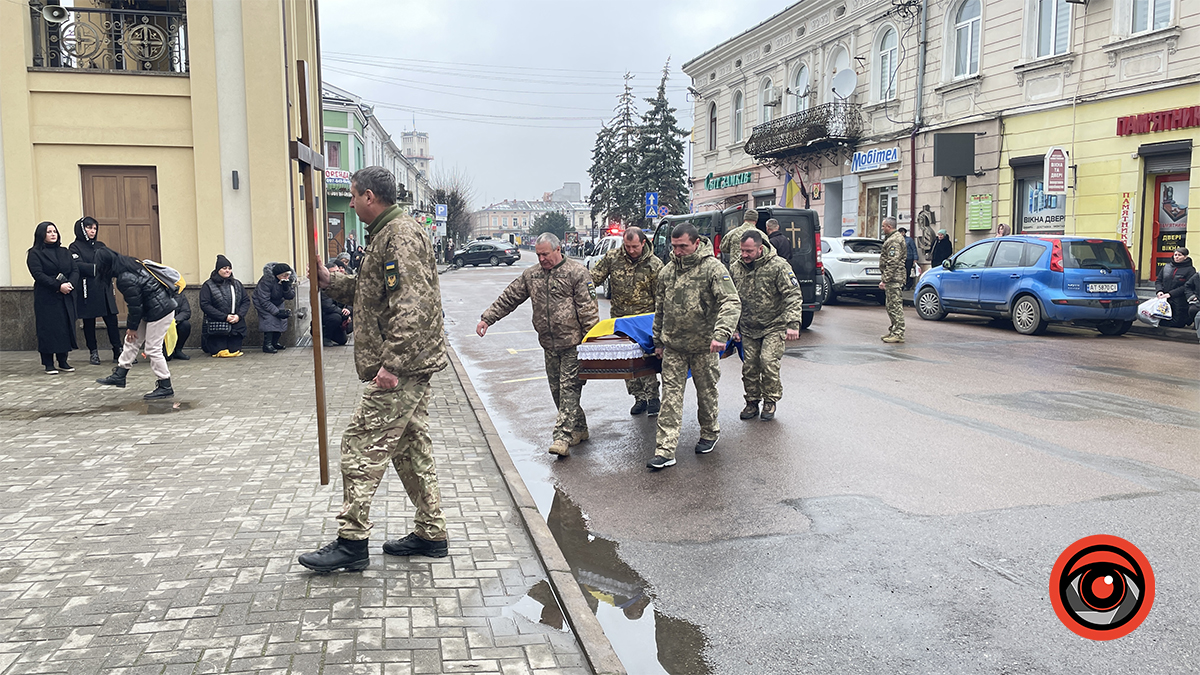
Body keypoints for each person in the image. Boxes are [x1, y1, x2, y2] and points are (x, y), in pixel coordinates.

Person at [299, 166, 450, 573]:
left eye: (352, 196)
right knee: (411, 448)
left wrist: (392, 365)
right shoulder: (387, 233)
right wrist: (331, 281)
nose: (349, 203)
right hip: (410, 364)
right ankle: (431, 532)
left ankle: (352, 541)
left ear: (369, 196)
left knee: (359, 445)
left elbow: (411, 306)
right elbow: (373, 291)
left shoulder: (399, 235)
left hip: (402, 366)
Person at [478, 233, 599, 457]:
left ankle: (562, 437)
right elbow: (510, 298)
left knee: (569, 389)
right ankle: (580, 428)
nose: (542, 259)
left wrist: (591, 343)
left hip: (574, 344)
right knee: (557, 392)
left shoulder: (577, 273)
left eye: (545, 254)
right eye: (538, 254)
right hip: (548, 344)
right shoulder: (531, 275)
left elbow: (589, 310)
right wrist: (487, 318)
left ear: (558, 249)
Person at [648, 223, 741, 470]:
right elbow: (660, 310)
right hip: (674, 347)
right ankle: (665, 449)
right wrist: (657, 341)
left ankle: (709, 432)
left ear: (696, 243)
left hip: (704, 347)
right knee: (670, 398)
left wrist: (722, 334)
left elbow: (731, 302)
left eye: (683, 246)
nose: (677, 251)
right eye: (674, 246)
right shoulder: (667, 272)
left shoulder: (713, 269)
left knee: (706, 392)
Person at [730, 229, 803, 422]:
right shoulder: (736, 268)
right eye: (742, 251)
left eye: (749, 251)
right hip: (748, 327)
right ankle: (752, 401)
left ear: (760, 249)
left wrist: (793, 323)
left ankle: (770, 400)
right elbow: (731, 299)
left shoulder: (778, 266)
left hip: (774, 325)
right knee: (750, 366)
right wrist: (733, 328)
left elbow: (793, 294)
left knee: (768, 361)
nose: (744, 255)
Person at [590, 228, 664, 416]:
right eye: (627, 246)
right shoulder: (613, 257)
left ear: (643, 243)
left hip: (644, 320)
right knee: (625, 361)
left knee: (645, 359)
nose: (631, 250)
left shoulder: (654, 265)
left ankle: (653, 397)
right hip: (620, 320)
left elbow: (661, 297)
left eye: (634, 247)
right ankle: (638, 397)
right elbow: (594, 278)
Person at [95, 252, 178, 399]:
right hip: (154, 309)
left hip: (160, 311)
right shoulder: (132, 265)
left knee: (153, 349)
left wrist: (132, 327)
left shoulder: (124, 278)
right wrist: (132, 328)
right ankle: (120, 373)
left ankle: (165, 385)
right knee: (131, 340)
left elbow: (135, 306)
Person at [26, 222, 79, 374]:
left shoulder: (64, 251)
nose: (53, 234)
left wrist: (70, 284)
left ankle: (63, 360)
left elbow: (75, 269)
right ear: (41, 234)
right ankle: (48, 363)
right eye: (49, 231)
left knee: (64, 328)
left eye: (54, 231)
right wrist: (58, 286)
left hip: (66, 295)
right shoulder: (35, 253)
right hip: (47, 297)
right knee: (49, 329)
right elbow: (38, 274)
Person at [69, 217, 121, 365]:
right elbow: (78, 265)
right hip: (88, 290)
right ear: (81, 229)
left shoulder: (100, 245)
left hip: (104, 289)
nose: (92, 231)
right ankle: (93, 352)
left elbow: (110, 261)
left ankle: (117, 350)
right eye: (89, 228)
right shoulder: (74, 247)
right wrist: (97, 269)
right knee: (89, 323)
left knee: (112, 321)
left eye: (94, 228)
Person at [199, 255, 251, 357]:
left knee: (234, 350)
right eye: (224, 268)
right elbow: (205, 305)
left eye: (229, 268)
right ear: (218, 270)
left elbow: (245, 301)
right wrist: (224, 317)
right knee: (220, 351)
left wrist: (238, 316)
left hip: (236, 325)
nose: (227, 271)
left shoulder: (237, 284)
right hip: (217, 326)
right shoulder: (208, 285)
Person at [254, 262, 295, 353]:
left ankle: (275, 342)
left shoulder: (288, 280)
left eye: (288, 275)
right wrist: (276, 312)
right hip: (262, 301)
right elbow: (263, 300)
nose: (287, 277)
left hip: (278, 301)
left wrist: (286, 288)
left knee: (281, 320)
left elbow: (291, 296)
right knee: (270, 320)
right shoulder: (266, 281)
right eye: (284, 275)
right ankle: (267, 344)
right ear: (278, 275)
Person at [878, 217, 907, 343]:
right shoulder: (892, 238)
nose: (882, 228)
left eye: (883, 226)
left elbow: (893, 262)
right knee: (890, 306)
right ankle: (893, 330)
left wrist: (885, 279)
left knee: (895, 306)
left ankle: (898, 332)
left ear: (889, 227)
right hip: (893, 277)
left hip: (894, 278)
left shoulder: (894, 240)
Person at [1155, 247, 1195, 328]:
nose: (1176, 257)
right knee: (1162, 322)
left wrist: (1171, 294)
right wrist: (1159, 291)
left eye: (1179, 255)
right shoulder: (1167, 267)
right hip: (1164, 298)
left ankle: (1187, 319)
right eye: (1175, 255)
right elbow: (1158, 280)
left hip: (1180, 300)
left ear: (1185, 257)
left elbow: (1187, 286)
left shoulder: (1190, 270)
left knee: (1177, 323)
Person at [321, 261, 353, 346]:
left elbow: (351, 299)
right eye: (333, 272)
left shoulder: (343, 284)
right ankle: (325, 337)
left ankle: (337, 331)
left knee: (342, 340)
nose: (337, 274)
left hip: (340, 314)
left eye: (337, 271)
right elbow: (328, 306)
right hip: (328, 316)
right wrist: (343, 313)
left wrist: (348, 310)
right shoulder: (323, 288)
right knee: (335, 318)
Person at [165, 285, 191, 361]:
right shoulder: (158, 293)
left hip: (175, 322)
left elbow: (186, 311)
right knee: (167, 357)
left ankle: (178, 350)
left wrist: (174, 320)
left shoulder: (180, 295)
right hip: (161, 323)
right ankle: (163, 351)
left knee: (185, 325)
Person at [899, 226, 918, 290]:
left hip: (909, 258)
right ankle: (902, 285)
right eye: (901, 232)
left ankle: (908, 285)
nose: (902, 233)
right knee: (901, 272)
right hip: (900, 259)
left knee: (908, 272)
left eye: (903, 232)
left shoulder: (909, 240)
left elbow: (914, 249)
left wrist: (915, 259)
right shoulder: (898, 240)